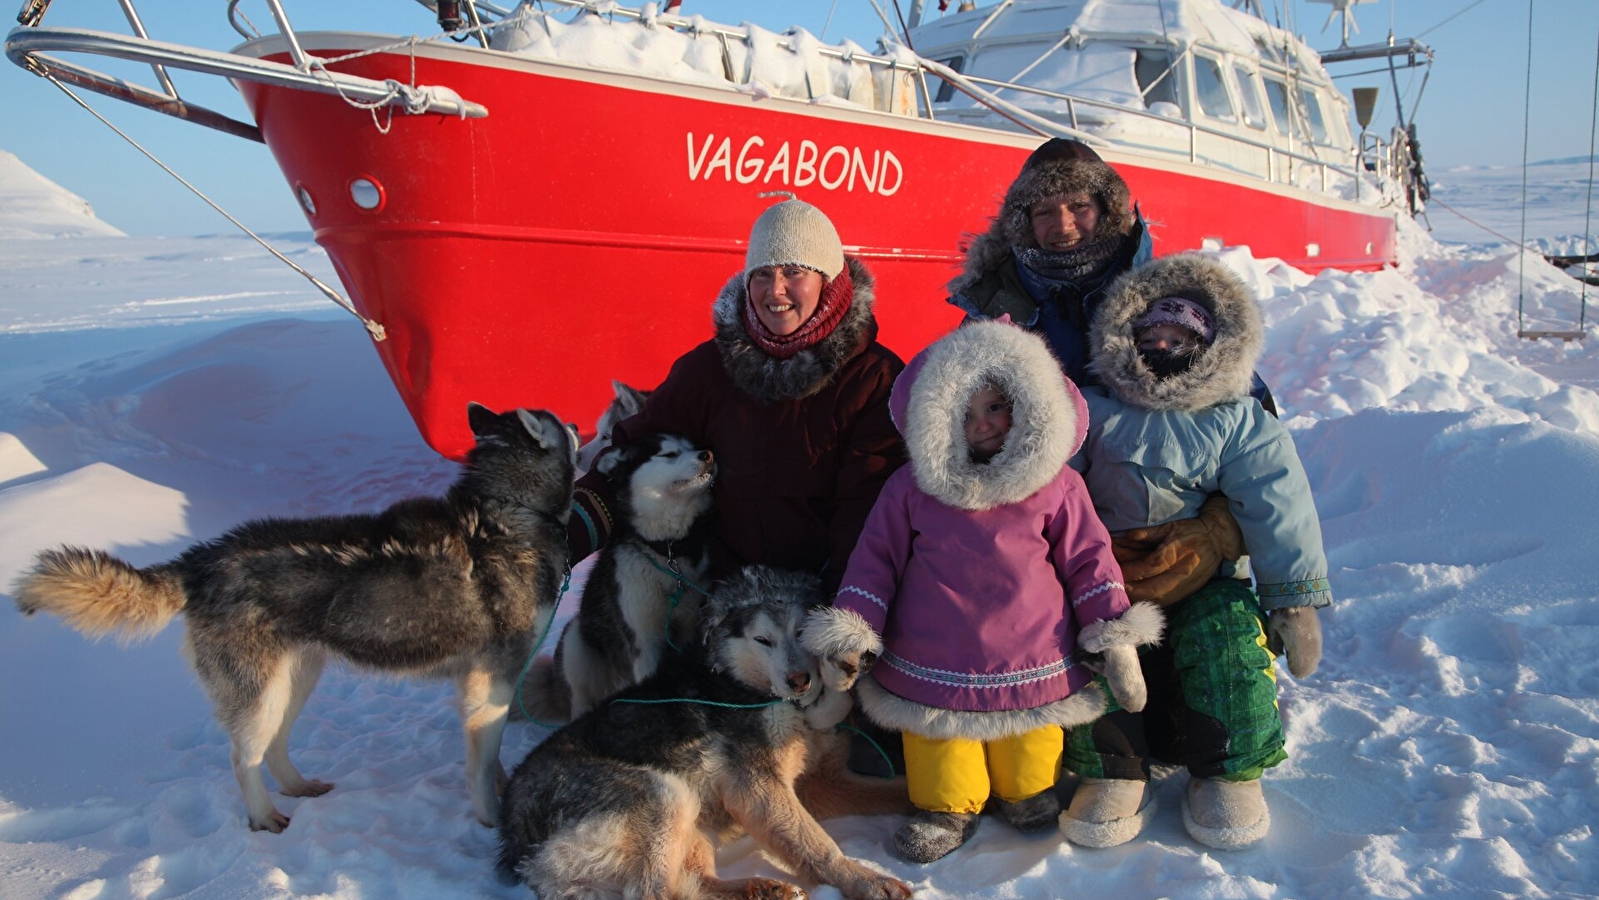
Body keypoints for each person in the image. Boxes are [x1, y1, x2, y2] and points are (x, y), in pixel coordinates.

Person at [802, 318, 1164, 864]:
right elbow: (874, 561)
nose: (983, 424)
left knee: (1030, 748)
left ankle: (1026, 792)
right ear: (937, 418)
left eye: (995, 406)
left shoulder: (1058, 485)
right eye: (965, 414)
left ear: (1024, 405)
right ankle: (947, 809)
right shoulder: (910, 488)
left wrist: (1114, 635)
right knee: (941, 748)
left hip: (1032, 652)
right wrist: (853, 630)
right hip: (933, 656)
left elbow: (1090, 561)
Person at [1058, 253, 1330, 851]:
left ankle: (1228, 771)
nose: (1160, 345)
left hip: (1202, 577)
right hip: (1107, 575)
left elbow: (1275, 501)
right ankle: (1111, 770)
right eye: (1148, 334)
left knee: (1227, 636)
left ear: (1210, 346)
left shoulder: (1234, 419)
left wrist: (1292, 597)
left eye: (1177, 337)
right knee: (1088, 642)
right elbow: (1055, 487)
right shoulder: (1089, 410)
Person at [947, 136, 1268, 625]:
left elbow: (1252, 423)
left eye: (1080, 205)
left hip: (1178, 535)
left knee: (1224, 680)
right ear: (1022, 222)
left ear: (1108, 209)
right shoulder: (992, 315)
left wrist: (1220, 529)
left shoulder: (1169, 298)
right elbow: (955, 431)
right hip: (1048, 550)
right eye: (1044, 212)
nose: (1063, 226)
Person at [565, 199, 906, 594]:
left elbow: (869, 516)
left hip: (818, 607)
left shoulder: (874, 380)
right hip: (718, 601)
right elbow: (635, 453)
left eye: (794, 271)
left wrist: (837, 621)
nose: (775, 289)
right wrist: (568, 535)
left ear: (827, 280)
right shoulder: (710, 369)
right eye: (762, 273)